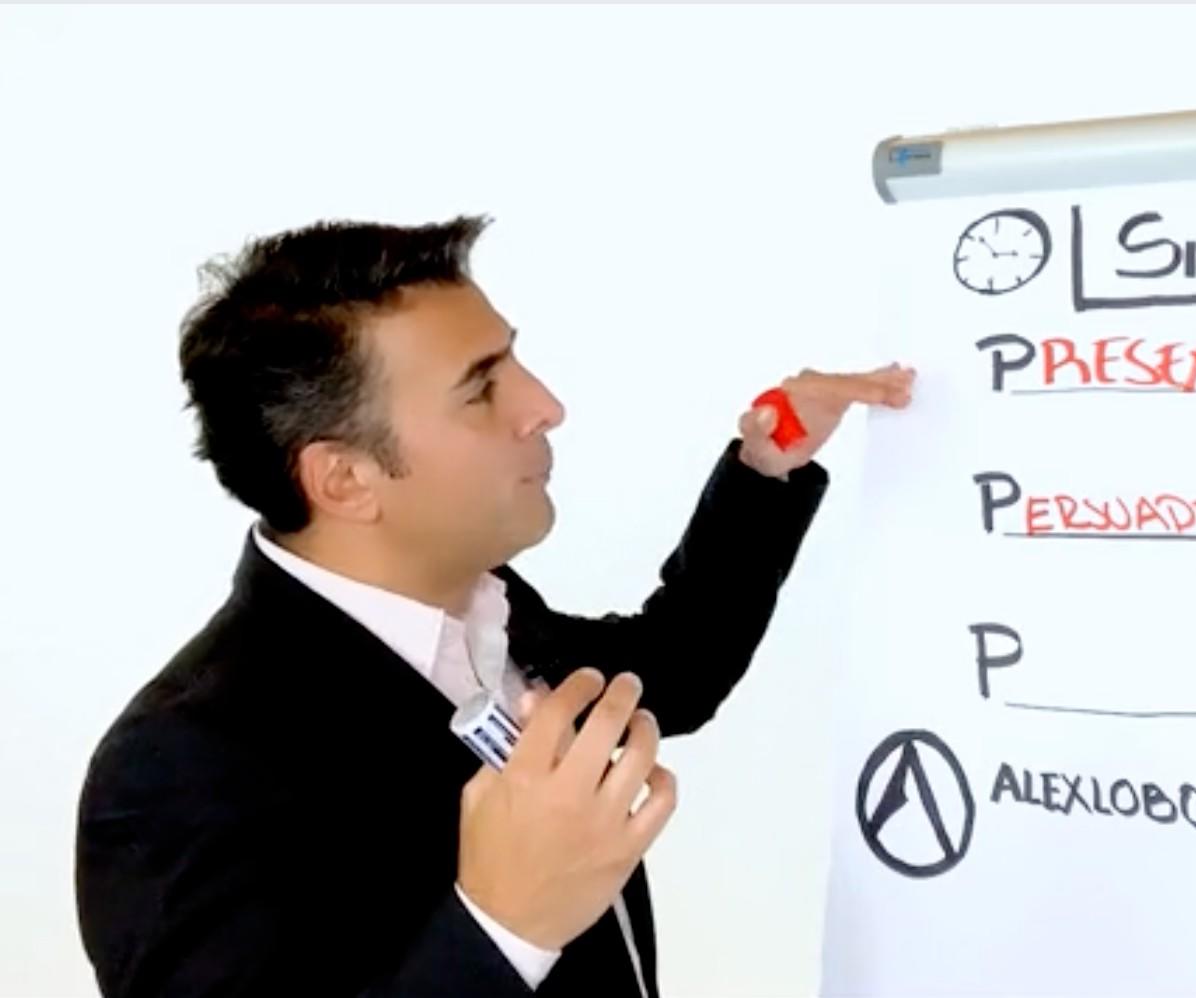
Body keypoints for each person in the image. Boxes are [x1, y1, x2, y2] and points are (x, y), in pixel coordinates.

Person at [72, 215, 914, 997]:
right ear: (345, 479)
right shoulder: (183, 767)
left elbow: (675, 669)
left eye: (514, 363)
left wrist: (766, 470)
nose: (545, 406)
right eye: (481, 389)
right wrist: (505, 927)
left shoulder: (477, 612)